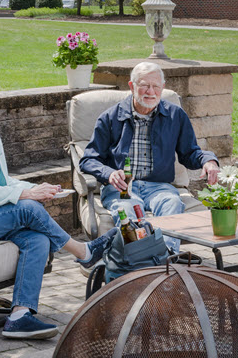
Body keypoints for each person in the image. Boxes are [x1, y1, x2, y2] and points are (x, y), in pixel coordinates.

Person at [0, 72, 116, 339]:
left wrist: (39, 189)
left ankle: (19, 316)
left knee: (36, 238)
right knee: (29, 208)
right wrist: (28, 195)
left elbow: (2, 181)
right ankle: (83, 251)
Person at [80, 61, 220, 250]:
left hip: (160, 187)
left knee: (172, 204)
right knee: (127, 210)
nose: (150, 91)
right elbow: (88, 159)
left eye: (155, 86)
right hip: (123, 188)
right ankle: (139, 261)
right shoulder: (110, 117)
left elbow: (190, 153)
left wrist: (208, 160)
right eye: (144, 85)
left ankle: (165, 258)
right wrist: (109, 173)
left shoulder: (175, 116)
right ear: (132, 86)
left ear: (162, 87)